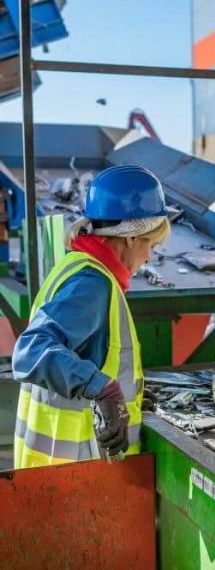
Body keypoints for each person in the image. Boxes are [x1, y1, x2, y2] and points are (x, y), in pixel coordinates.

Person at [12, 165, 170, 468]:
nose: (149, 257)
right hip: (76, 474)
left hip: (56, 473)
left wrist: (127, 396)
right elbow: (30, 351)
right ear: (130, 238)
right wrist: (104, 390)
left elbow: (87, 355)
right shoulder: (93, 283)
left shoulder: (76, 265)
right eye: (151, 244)